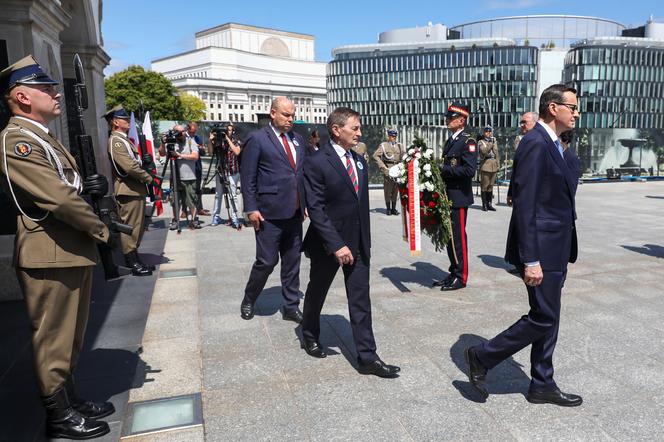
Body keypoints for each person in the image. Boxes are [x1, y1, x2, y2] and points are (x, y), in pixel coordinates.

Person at [0, 55, 114, 439]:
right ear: (22, 96)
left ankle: (70, 398)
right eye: (45, 87)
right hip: (48, 251)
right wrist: (101, 228)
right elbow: (59, 199)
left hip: (65, 249)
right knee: (53, 338)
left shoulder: (41, 136)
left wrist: (89, 187)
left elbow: (69, 187)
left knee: (72, 335)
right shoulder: (18, 141)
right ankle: (59, 414)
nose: (55, 92)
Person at [465, 84, 582, 407]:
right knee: (543, 316)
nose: (576, 113)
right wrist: (530, 258)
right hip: (541, 249)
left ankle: (542, 383)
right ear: (552, 108)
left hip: (557, 245)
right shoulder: (534, 143)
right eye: (571, 107)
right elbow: (526, 205)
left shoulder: (554, 144)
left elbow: (564, 187)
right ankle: (482, 355)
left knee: (550, 317)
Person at [301, 107, 400, 378]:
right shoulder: (317, 161)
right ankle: (309, 333)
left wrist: (362, 242)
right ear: (336, 130)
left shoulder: (359, 160)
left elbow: (360, 205)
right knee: (317, 291)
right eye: (354, 128)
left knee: (360, 300)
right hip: (327, 244)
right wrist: (336, 244)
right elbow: (317, 209)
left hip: (357, 243)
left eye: (359, 128)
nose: (359, 133)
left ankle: (367, 357)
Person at [240, 97, 306, 323]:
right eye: (286, 115)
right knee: (266, 261)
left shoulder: (297, 139)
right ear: (273, 113)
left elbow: (301, 174)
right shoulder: (257, 139)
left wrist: (305, 204)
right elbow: (248, 177)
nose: (291, 119)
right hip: (269, 213)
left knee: (292, 262)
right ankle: (249, 298)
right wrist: (251, 208)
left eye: (293, 115)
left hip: (295, 213)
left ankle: (290, 306)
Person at [104, 105, 154, 276]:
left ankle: (136, 258)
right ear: (115, 122)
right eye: (124, 119)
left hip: (134, 189)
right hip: (128, 190)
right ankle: (132, 262)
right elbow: (129, 166)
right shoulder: (116, 141)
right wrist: (148, 177)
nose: (127, 122)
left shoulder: (123, 140)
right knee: (130, 227)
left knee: (137, 227)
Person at [434, 102, 477, 291]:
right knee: (450, 237)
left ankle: (461, 276)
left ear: (461, 121)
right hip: (448, 196)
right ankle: (454, 271)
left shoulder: (468, 141)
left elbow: (469, 170)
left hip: (459, 197)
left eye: (451, 118)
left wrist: (444, 170)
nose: (447, 120)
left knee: (458, 238)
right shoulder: (451, 140)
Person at [158, 124, 201, 230]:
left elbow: (195, 156)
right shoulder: (171, 141)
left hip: (189, 176)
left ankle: (194, 219)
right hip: (175, 176)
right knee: (174, 200)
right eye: (178, 132)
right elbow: (162, 154)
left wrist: (179, 155)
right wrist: (163, 144)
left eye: (182, 131)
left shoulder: (190, 141)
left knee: (191, 199)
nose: (181, 134)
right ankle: (175, 220)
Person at [209, 122, 243, 228]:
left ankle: (234, 217)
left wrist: (228, 140)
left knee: (233, 195)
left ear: (233, 131)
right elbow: (210, 153)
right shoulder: (218, 141)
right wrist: (211, 140)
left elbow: (237, 152)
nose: (227, 131)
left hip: (233, 172)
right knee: (218, 195)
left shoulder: (236, 141)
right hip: (221, 170)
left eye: (229, 129)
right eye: (226, 129)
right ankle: (216, 216)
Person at [508, 111, 539, 207]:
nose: (522, 125)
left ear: (535, 123)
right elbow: (516, 169)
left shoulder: (540, 142)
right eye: (521, 122)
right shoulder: (523, 141)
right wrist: (511, 192)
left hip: (533, 195)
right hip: (520, 194)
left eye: (525, 122)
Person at [373, 129, 404, 215]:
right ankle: (388, 208)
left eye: (395, 136)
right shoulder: (384, 146)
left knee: (395, 189)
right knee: (388, 190)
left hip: (397, 170)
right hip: (388, 169)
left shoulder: (400, 146)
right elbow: (375, 156)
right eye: (392, 136)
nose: (393, 138)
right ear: (388, 136)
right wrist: (383, 167)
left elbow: (403, 157)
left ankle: (394, 208)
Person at [187, 122, 209, 217]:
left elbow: (203, 153)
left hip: (197, 167)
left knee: (197, 189)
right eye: (193, 129)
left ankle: (199, 208)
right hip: (187, 167)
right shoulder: (184, 138)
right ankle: (186, 209)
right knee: (187, 189)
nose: (194, 131)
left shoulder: (197, 138)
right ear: (188, 128)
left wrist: (201, 148)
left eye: (196, 129)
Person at [478, 126, 500, 211]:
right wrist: (491, 144)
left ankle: (489, 204)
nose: (488, 133)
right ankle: (484, 204)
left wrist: (498, 165)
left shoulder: (494, 141)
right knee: (485, 186)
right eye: (487, 132)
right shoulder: (481, 142)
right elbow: (484, 151)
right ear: (484, 133)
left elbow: (497, 154)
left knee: (491, 186)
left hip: (493, 165)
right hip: (486, 165)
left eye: (490, 132)